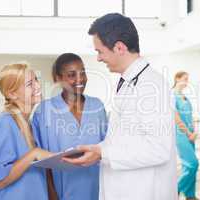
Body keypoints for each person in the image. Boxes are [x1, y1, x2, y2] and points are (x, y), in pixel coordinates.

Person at [62, 13, 178, 200]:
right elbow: (124, 139)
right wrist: (97, 150)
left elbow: (158, 149)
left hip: (144, 192)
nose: (98, 58)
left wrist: (102, 153)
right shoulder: (128, 81)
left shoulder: (151, 86)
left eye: (100, 51)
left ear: (120, 47)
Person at [32, 53, 108, 200]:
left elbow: (106, 148)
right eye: (72, 75)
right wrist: (51, 194)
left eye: (83, 73)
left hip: (97, 190)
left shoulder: (97, 106)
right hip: (62, 192)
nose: (80, 79)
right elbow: (41, 161)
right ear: (58, 78)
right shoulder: (44, 110)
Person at [0, 63, 54, 200]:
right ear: (11, 94)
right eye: (29, 84)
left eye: (36, 80)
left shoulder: (29, 124)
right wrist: (34, 153)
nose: (38, 87)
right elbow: (0, 181)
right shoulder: (4, 124)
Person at [173, 71, 199, 200]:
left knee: (187, 166)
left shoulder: (184, 96)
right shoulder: (172, 95)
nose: (187, 82)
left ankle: (190, 196)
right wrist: (188, 133)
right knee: (193, 164)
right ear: (177, 79)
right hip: (181, 135)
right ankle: (174, 190)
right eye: (185, 79)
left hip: (190, 135)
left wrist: (194, 131)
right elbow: (176, 118)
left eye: (188, 79)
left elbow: (191, 115)